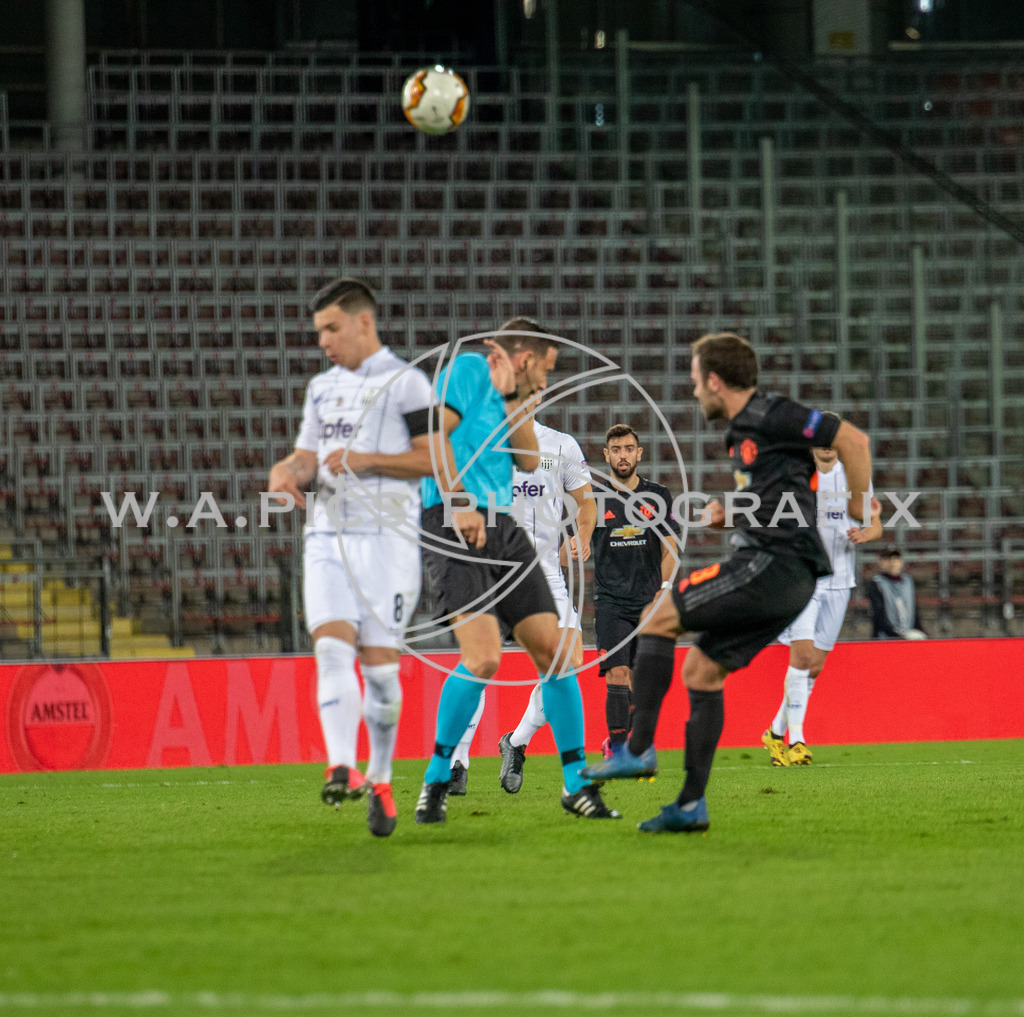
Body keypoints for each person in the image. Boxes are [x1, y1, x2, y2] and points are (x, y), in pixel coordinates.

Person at [581, 332, 872, 833]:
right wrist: (730, 510)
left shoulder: (773, 413)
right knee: (701, 673)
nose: (694, 392)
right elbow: (778, 498)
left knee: (659, 614)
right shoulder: (741, 432)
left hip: (775, 564)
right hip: (782, 569)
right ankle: (691, 805)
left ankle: (637, 748)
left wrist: (859, 502)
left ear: (715, 380)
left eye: (696, 382)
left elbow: (853, 439)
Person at [415, 318, 619, 823]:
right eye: (546, 369)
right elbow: (432, 438)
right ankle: (438, 775)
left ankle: (576, 785)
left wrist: (514, 400)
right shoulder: (464, 370)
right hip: (450, 518)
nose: (548, 383)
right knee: (483, 660)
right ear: (525, 356)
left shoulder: (514, 397)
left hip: (502, 525)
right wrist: (459, 499)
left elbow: (528, 459)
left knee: (555, 654)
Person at [267, 277, 435, 839]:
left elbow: (432, 460)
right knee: (332, 647)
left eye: (331, 329)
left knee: (381, 674)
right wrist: (287, 472)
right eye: (319, 332)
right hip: (329, 536)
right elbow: (307, 456)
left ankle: (381, 777)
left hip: (389, 541)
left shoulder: (408, 383)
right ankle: (341, 762)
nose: (323, 341)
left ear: (365, 322)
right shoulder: (321, 388)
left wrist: (365, 459)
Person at [448, 414, 597, 796]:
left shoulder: (560, 444)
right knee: (481, 662)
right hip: (491, 568)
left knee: (568, 661)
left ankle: (516, 741)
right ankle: (458, 761)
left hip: (545, 571)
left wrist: (582, 532)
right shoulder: (479, 441)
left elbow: (585, 502)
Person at [762, 437, 883, 768]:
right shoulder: (797, 477)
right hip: (804, 579)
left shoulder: (854, 478)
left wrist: (865, 534)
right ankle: (797, 741)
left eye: (832, 442)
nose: (827, 447)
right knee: (801, 657)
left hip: (840, 582)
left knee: (814, 665)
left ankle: (775, 732)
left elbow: (876, 525)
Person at [589, 424, 679, 756]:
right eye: (616, 449)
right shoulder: (593, 497)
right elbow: (575, 538)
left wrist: (664, 589)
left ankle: (635, 744)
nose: (622, 455)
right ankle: (617, 747)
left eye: (628, 448)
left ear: (638, 453)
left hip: (648, 601)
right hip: (611, 602)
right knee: (617, 672)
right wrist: (571, 546)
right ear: (606, 455)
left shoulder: (657, 495)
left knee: (641, 682)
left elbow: (671, 549)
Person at [868, 546, 928, 640]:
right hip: (885, 639)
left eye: (896, 559)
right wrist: (899, 636)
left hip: (908, 637)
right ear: (880, 561)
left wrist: (920, 631)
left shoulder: (908, 582)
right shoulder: (877, 583)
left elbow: (914, 611)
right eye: (888, 559)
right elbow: (879, 617)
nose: (893, 563)